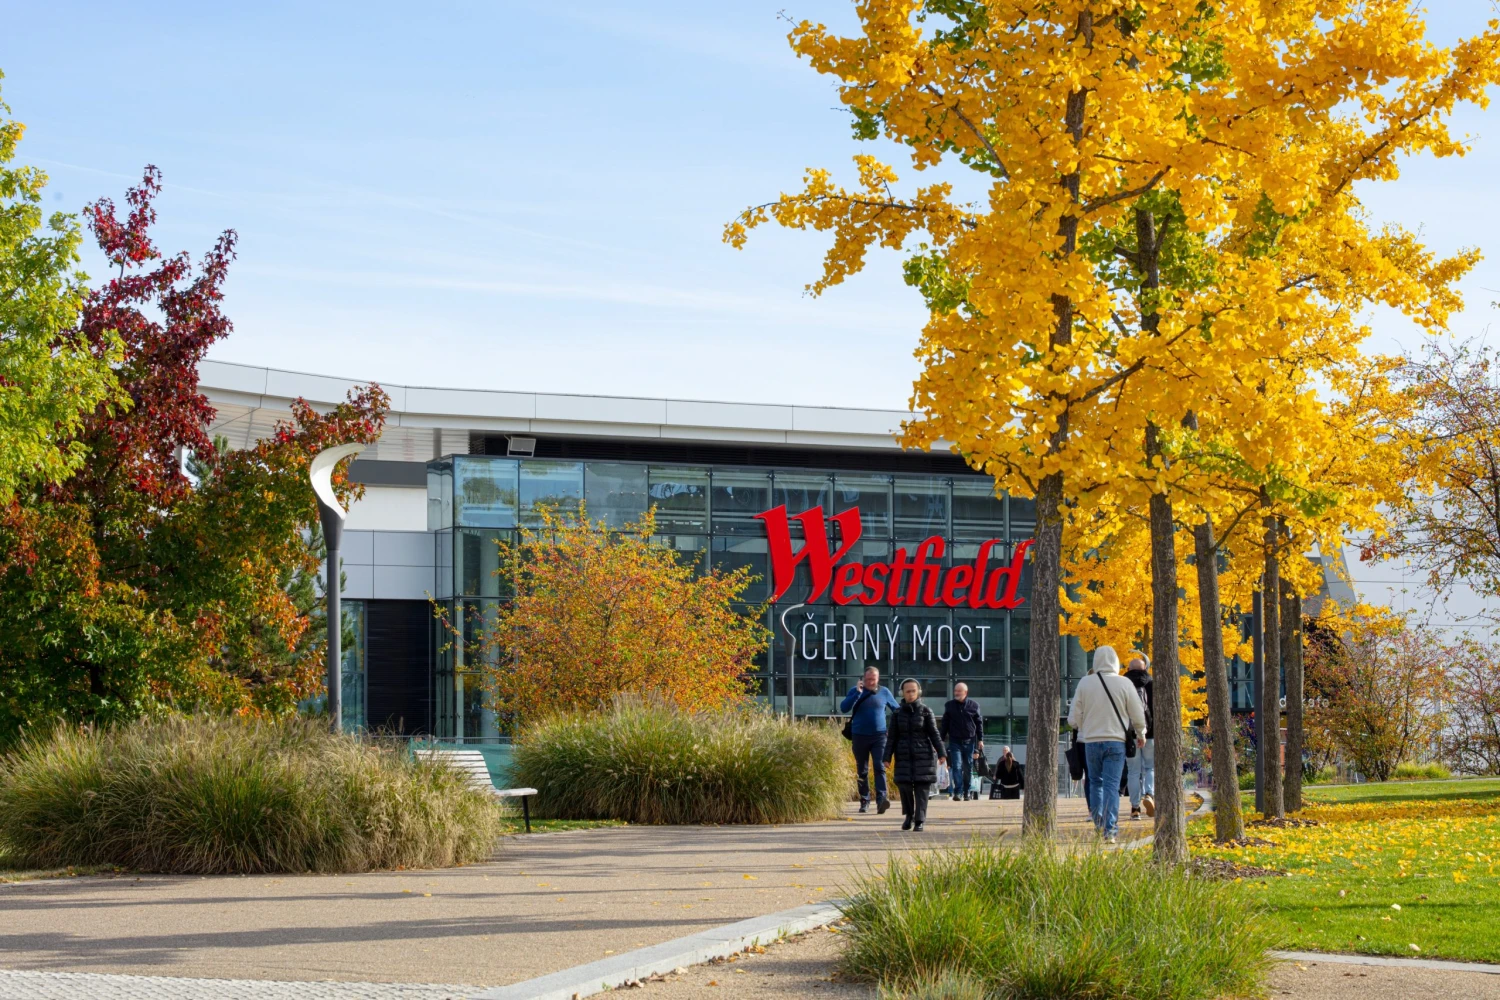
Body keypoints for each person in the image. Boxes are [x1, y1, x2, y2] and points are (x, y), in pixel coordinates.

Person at [1066, 646, 1147, 843]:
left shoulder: (1085, 683)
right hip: (1116, 741)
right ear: (1116, 661)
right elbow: (1137, 712)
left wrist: (1082, 725)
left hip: (1091, 741)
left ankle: (1098, 824)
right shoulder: (1124, 683)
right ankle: (1110, 831)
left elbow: (1073, 718)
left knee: (1095, 783)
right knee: (1112, 785)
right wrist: (1141, 732)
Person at [884, 678, 946, 831]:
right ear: (902, 693)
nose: (911, 694)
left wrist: (942, 753)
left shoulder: (926, 711)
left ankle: (920, 820)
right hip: (904, 755)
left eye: (913, 691)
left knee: (921, 789)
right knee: (904, 786)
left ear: (918, 692)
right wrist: (887, 757)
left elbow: (934, 734)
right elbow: (891, 737)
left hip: (923, 755)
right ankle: (909, 815)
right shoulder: (897, 714)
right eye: (907, 691)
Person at [840, 666, 901, 814]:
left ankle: (882, 800)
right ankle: (864, 800)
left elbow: (897, 710)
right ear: (862, 679)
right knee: (862, 770)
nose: (871, 682)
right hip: (859, 736)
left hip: (879, 736)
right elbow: (843, 708)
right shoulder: (855, 692)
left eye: (873, 679)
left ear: (878, 679)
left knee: (880, 767)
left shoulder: (884, 692)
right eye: (868, 679)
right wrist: (856, 694)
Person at [1123, 651, 1156, 820]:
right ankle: (1149, 794)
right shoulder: (1151, 683)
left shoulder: (1122, 683)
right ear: (1146, 669)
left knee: (1133, 772)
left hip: (1129, 734)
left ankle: (1135, 808)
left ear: (1128, 669)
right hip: (1150, 733)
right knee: (1150, 767)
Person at [939, 681, 984, 802]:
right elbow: (944, 724)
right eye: (955, 691)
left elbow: (979, 723)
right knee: (957, 766)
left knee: (968, 767)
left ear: (965, 692)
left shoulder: (974, 705)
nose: (956, 693)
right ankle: (958, 792)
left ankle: (967, 792)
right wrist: (941, 740)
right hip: (955, 741)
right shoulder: (949, 705)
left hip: (969, 741)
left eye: (959, 691)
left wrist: (980, 739)